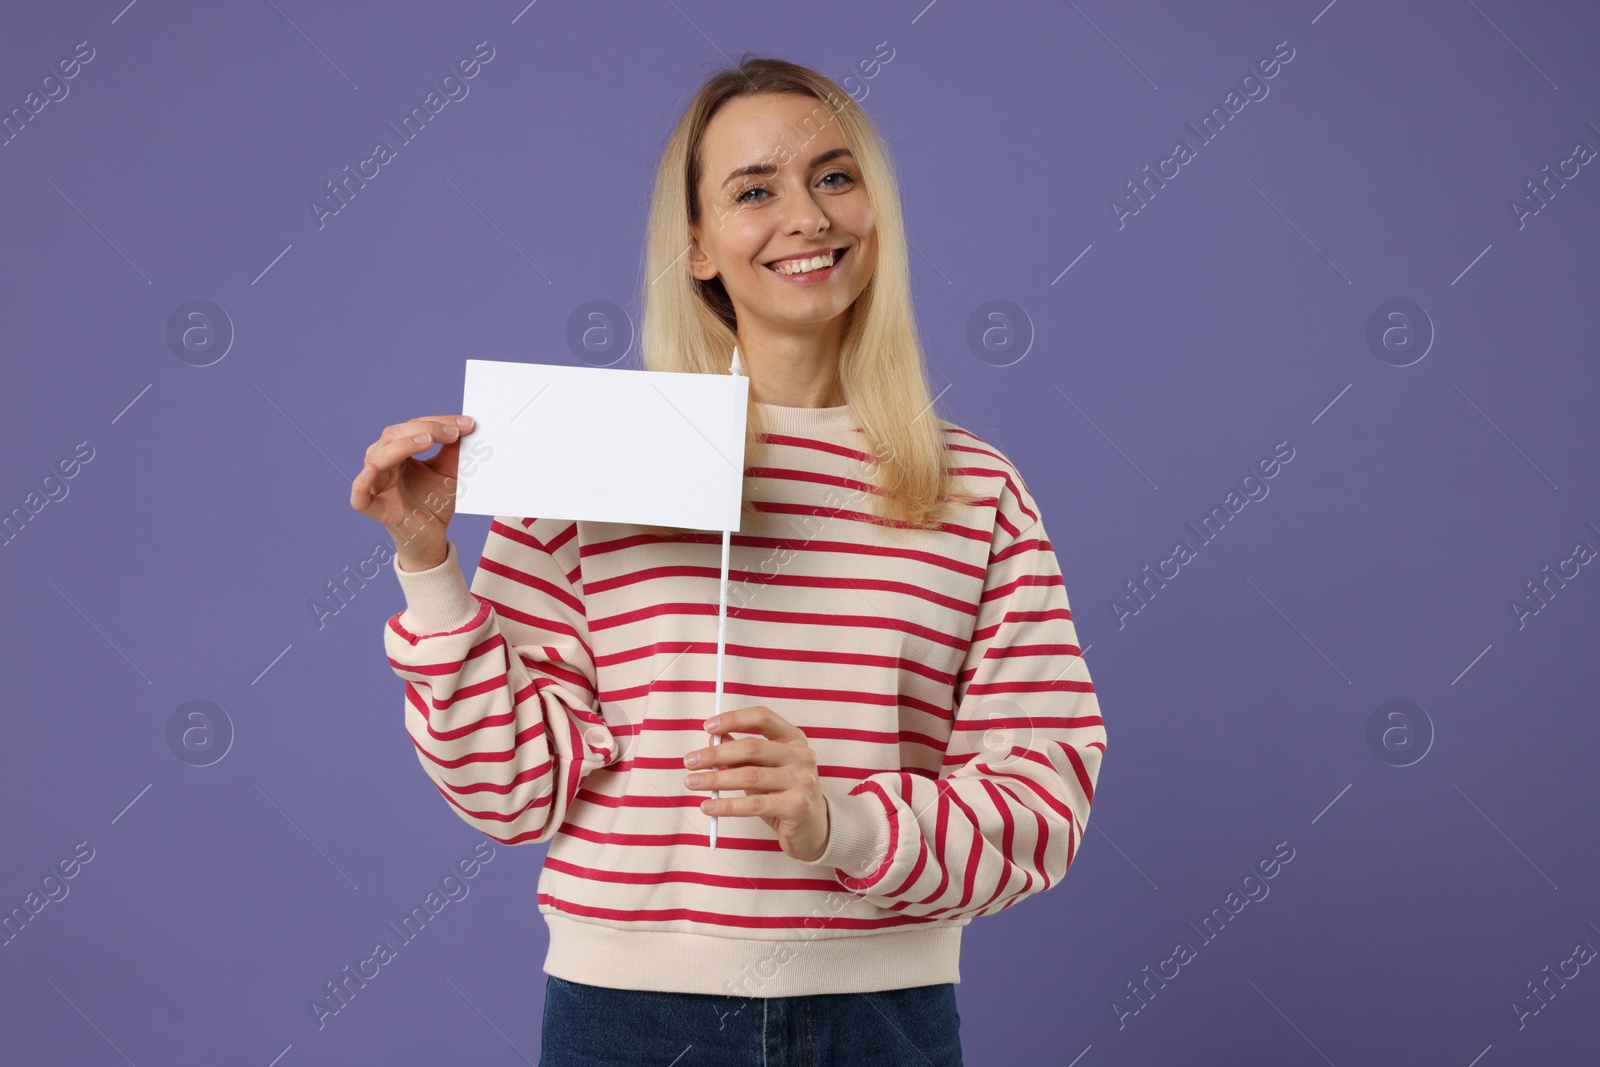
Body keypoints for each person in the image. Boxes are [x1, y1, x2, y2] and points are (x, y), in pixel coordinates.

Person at [349, 53, 1106, 1067]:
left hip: (880, 1014)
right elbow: (510, 789)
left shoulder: (973, 489)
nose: (806, 216)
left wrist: (839, 822)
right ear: (698, 245)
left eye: (833, 176)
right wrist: (428, 563)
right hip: (626, 1013)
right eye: (755, 190)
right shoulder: (597, 456)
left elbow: (1041, 796)